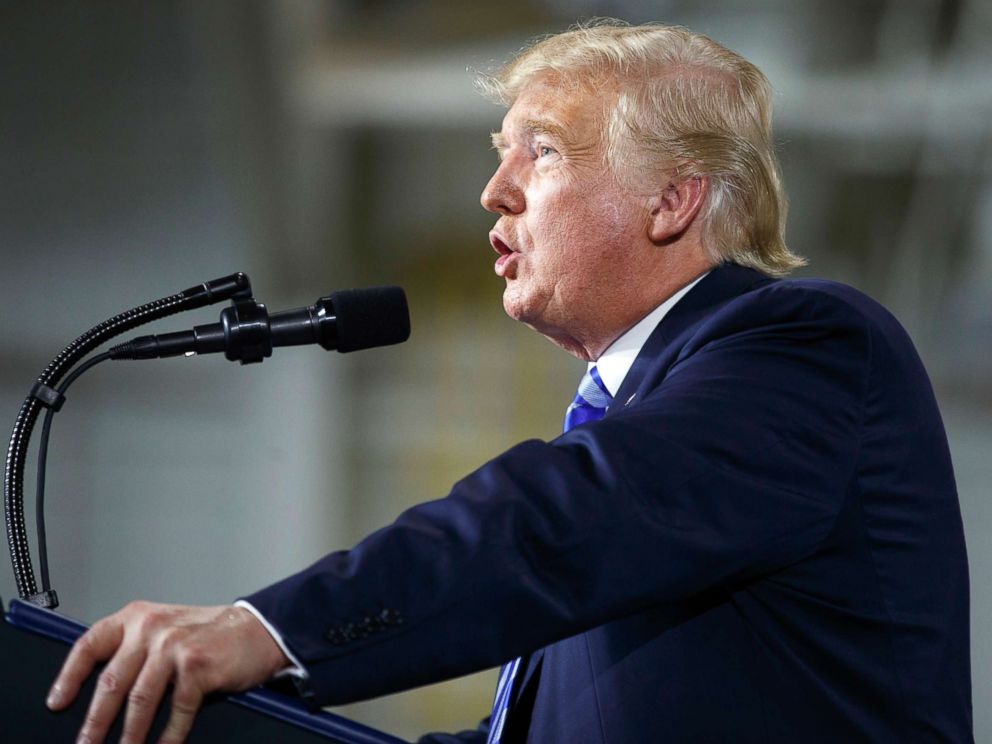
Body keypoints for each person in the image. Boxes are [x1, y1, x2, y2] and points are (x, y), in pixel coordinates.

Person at [47, 20, 972, 744]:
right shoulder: (638, 441)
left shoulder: (806, 348)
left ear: (671, 200)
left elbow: (551, 524)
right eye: (502, 151)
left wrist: (270, 629)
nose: (494, 190)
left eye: (542, 150)